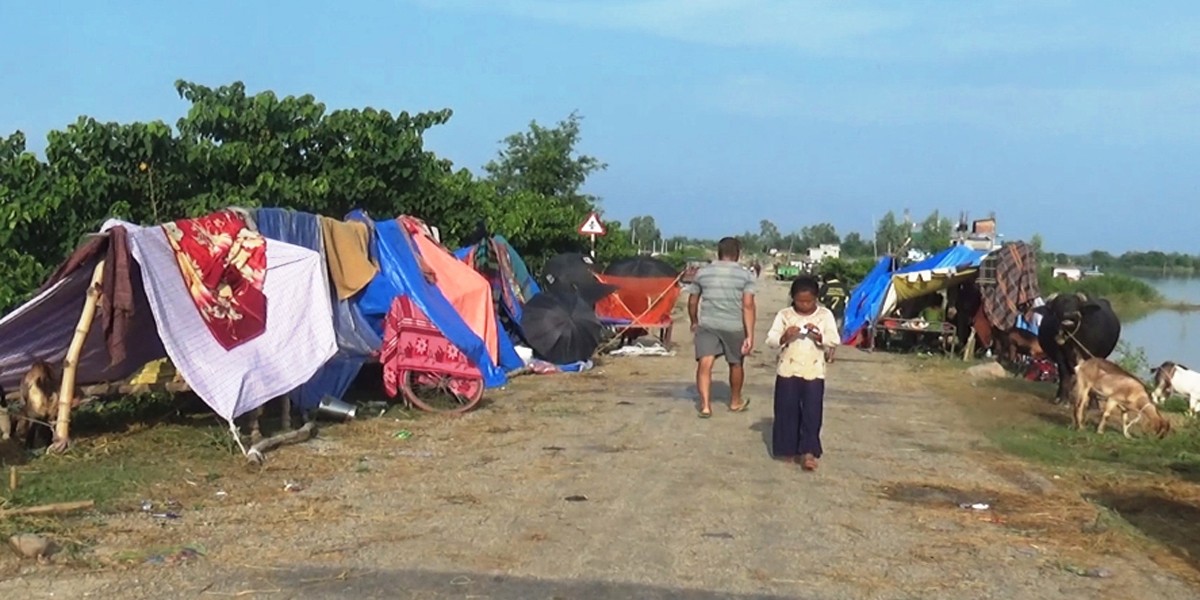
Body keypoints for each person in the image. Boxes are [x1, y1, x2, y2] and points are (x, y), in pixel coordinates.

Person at [765, 275, 839, 471]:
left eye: (809, 301)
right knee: (786, 410)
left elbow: (834, 339)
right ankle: (787, 448)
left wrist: (819, 336)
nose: (804, 305)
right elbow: (771, 340)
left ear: (816, 299)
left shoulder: (824, 315)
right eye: (800, 301)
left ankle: (808, 451)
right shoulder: (785, 315)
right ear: (793, 298)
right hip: (788, 368)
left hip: (814, 370)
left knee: (812, 412)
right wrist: (784, 336)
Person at [686, 237, 757, 418]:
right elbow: (748, 305)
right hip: (734, 326)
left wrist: (694, 321)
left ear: (718, 252)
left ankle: (705, 406)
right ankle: (735, 401)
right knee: (736, 363)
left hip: (708, 324)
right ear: (737, 254)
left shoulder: (702, 273)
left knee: (705, 363)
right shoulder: (745, 275)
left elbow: (692, 301)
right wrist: (749, 335)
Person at [818, 272, 847, 338]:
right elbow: (847, 297)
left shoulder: (826, 286)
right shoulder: (843, 286)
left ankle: (828, 338)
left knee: (827, 325)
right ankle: (837, 338)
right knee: (838, 327)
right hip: (840, 309)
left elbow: (820, 298)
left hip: (828, 310)